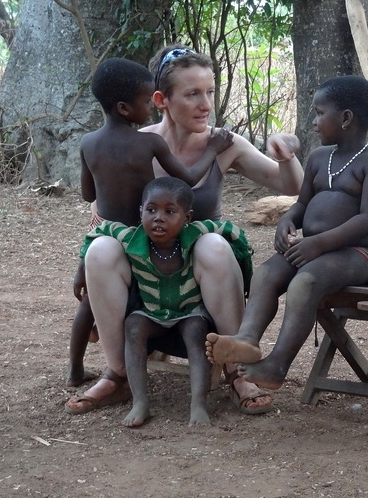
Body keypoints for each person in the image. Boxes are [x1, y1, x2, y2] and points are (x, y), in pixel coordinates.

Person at [65, 46, 304, 415]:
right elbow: (100, 212)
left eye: (209, 92)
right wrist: (84, 262)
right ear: (160, 100)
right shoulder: (138, 143)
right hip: (144, 278)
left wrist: (286, 152)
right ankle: (117, 374)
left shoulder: (224, 143)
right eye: (193, 94)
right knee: (101, 250)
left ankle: (236, 369)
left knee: (211, 243)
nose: (205, 104)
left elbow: (290, 186)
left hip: (202, 279)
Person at [204, 75, 368, 390]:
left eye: (320, 113)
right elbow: (302, 202)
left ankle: (278, 364)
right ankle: (247, 338)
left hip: (357, 254)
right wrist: (286, 221)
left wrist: (319, 243)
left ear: (346, 118)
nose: (314, 121)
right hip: (313, 249)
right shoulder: (319, 158)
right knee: (266, 274)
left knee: (305, 281)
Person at [66, 57, 232, 389]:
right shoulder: (148, 142)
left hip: (105, 234)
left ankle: (75, 369)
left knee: (88, 303)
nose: (151, 109)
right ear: (125, 108)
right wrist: (213, 149)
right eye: (146, 101)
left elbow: (88, 195)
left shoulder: (88, 143)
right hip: (143, 236)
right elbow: (187, 180)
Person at [79, 177, 252, 427]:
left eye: (170, 212)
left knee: (196, 331)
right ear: (141, 213)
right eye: (151, 210)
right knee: (134, 326)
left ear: (188, 217)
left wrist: (246, 277)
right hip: (150, 312)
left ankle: (200, 403)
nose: (158, 218)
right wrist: (80, 268)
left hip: (190, 311)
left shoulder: (195, 234)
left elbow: (234, 233)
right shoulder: (130, 238)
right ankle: (137, 398)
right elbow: (97, 232)